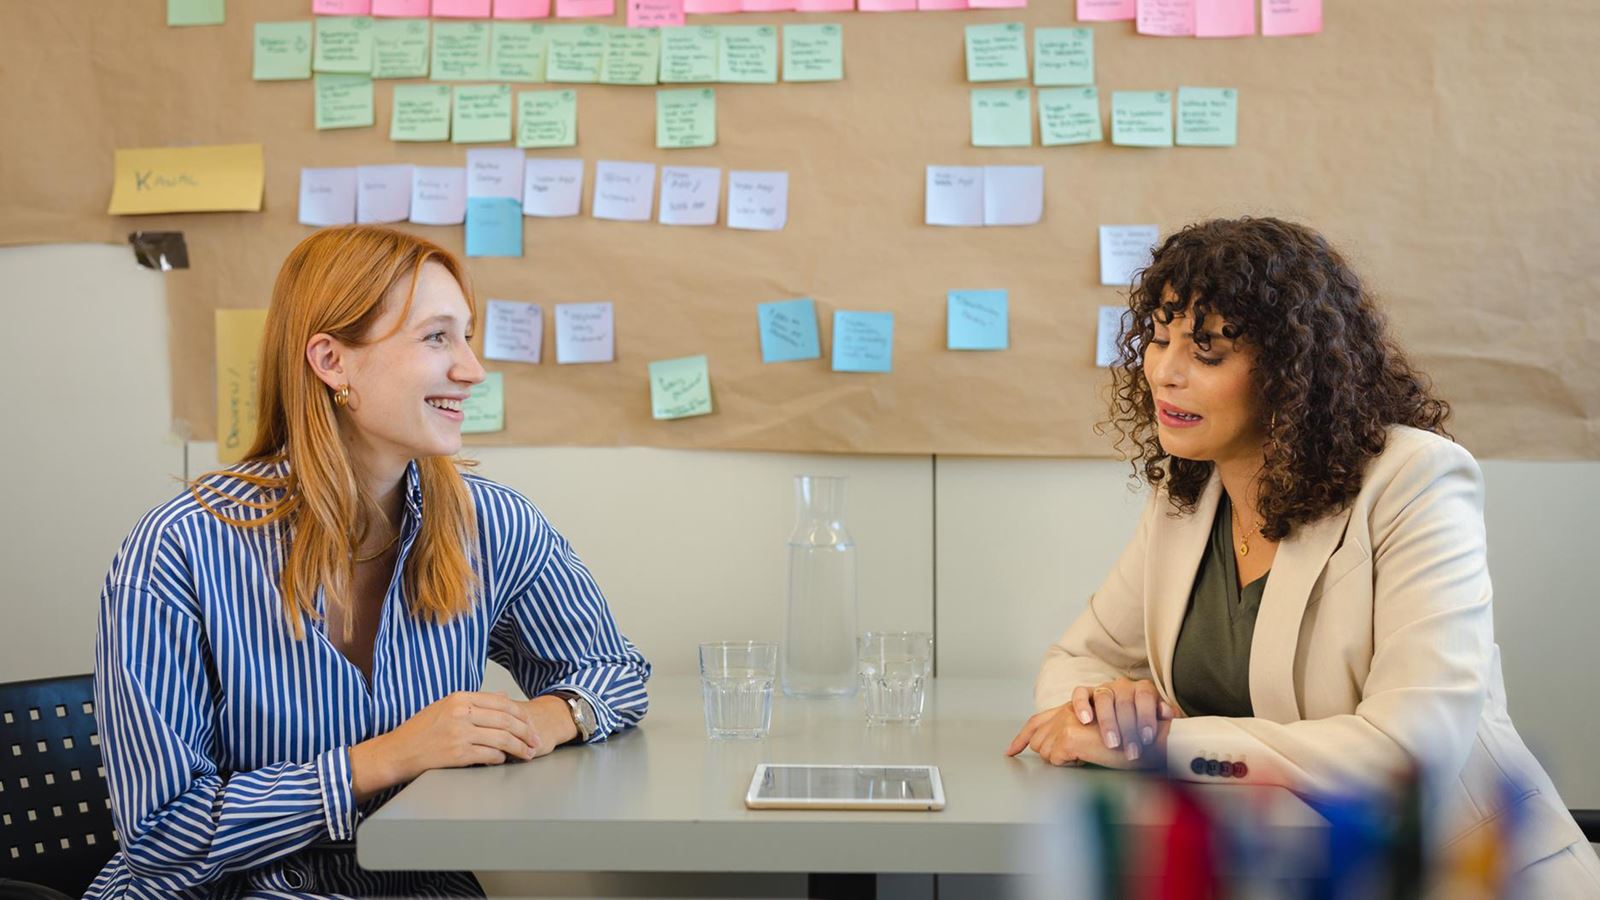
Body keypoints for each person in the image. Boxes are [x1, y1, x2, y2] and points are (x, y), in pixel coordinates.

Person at [1005, 217, 1599, 891]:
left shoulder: (1417, 480)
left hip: (1459, 873)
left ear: (1292, 372)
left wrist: (1161, 745)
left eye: (1207, 353)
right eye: (1159, 340)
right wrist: (1108, 707)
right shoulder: (1192, 487)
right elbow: (1077, 658)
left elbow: (1408, 753)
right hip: (1291, 871)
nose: (1164, 374)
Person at [87, 226, 651, 898]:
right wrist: (383, 759)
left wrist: (544, 719)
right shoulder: (178, 548)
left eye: (466, 337)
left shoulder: (490, 524)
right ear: (332, 361)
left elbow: (614, 673)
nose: (471, 369)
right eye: (438, 337)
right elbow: (159, 838)